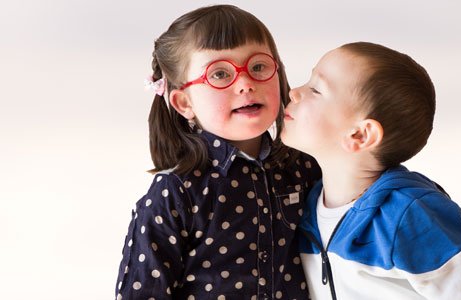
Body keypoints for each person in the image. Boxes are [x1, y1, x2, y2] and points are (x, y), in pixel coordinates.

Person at [115, 5, 321, 299]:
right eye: (220, 74)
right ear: (184, 102)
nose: (246, 84)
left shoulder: (306, 168)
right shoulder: (175, 192)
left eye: (259, 67)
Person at [280, 42, 461, 299]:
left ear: (360, 134)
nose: (294, 92)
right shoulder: (304, 205)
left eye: (316, 90)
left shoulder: (410, 214)